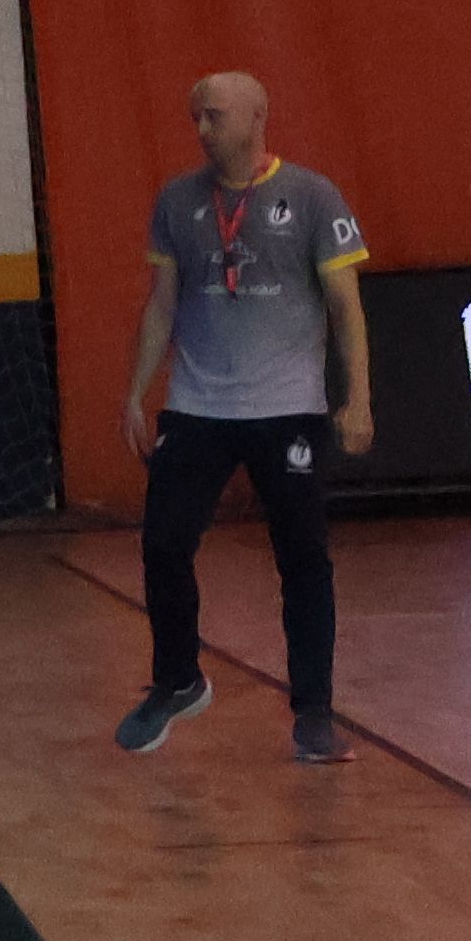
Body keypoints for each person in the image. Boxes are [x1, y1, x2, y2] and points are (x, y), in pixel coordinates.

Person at [118, 67, 371, 762]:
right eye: (197, 117)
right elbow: (162, 303)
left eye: (216, 117)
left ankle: (313, 712)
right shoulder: (176, 201)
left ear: (257, 117)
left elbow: (346, 306)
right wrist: (138, 391)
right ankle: (177, 680)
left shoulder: (312, 197)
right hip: (197, 404)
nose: (203, 130)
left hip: (287, 405)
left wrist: (358, 400)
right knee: (164, 542)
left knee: (302, 558)